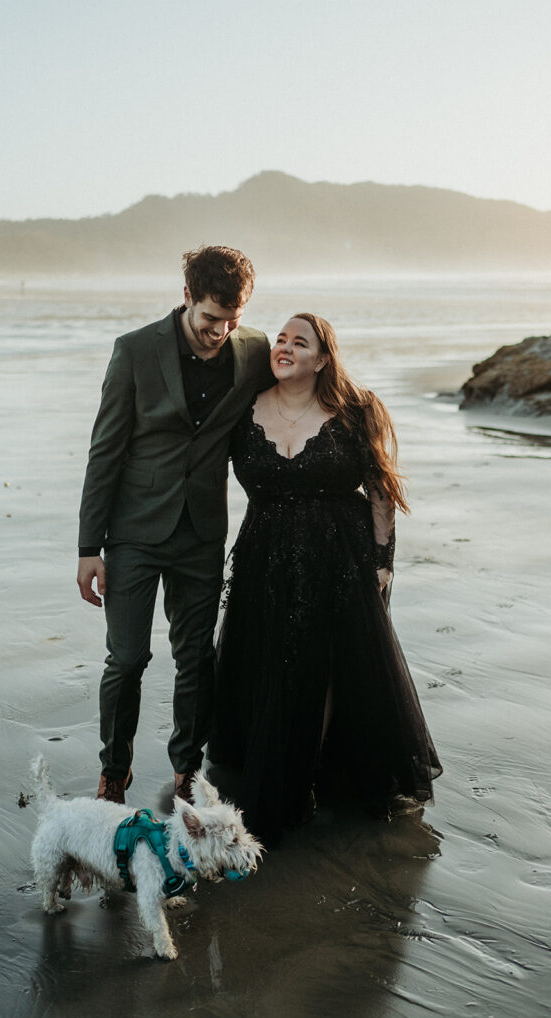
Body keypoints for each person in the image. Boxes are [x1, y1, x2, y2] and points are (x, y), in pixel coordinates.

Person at [208, 313, 442, 845]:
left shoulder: (357, 412)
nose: (285, 347)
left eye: (300, 342)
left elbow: (381, 491)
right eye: (281, 340)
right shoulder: (243, 410)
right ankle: (279, 768)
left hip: (341, 559)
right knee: (274, 663)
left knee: (329, 668)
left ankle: (309, 775)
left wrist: (383, 560)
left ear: (322, 359)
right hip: (265, 558)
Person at [77, 246, 273, 805]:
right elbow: (104, 452)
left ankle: (189, 770)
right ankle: (114, 772)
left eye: (232, 320)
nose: (221, 332)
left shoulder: (253, 350)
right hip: (134, 531)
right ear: (187, 296)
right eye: (212, 319)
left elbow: (302, 374)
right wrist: (90, 546)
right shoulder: (135, 352)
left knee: (196, 657)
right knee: (128, 658)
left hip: (202, 533)